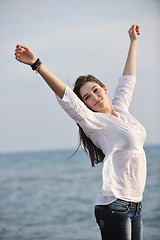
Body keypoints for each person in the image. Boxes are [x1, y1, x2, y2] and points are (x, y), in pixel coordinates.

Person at [14, 24, 146, 240]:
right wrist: (37, 65)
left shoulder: (121, 109)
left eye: (95, 90)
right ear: (86, 105)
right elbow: (67, 97)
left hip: (135, 204)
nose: (94, 97)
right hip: (115, 206)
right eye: (87, 98)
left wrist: (133, 42)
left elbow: (128, 79)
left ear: (104, 88)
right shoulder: (94, 122)